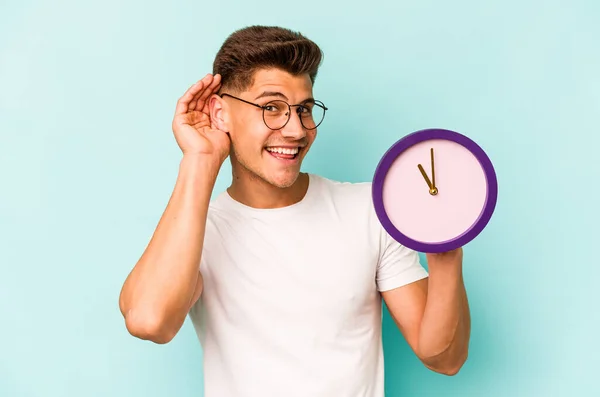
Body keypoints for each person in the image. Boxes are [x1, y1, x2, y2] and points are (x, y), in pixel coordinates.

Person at [119, 25, 471, 397]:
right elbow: (149, 320)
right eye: (271, 108)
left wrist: (445, 250)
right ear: (220, 114)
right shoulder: (196, 233)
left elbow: (444, 359)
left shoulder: (368, 210)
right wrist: (200, 159)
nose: (296, 129)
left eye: (304, 109)